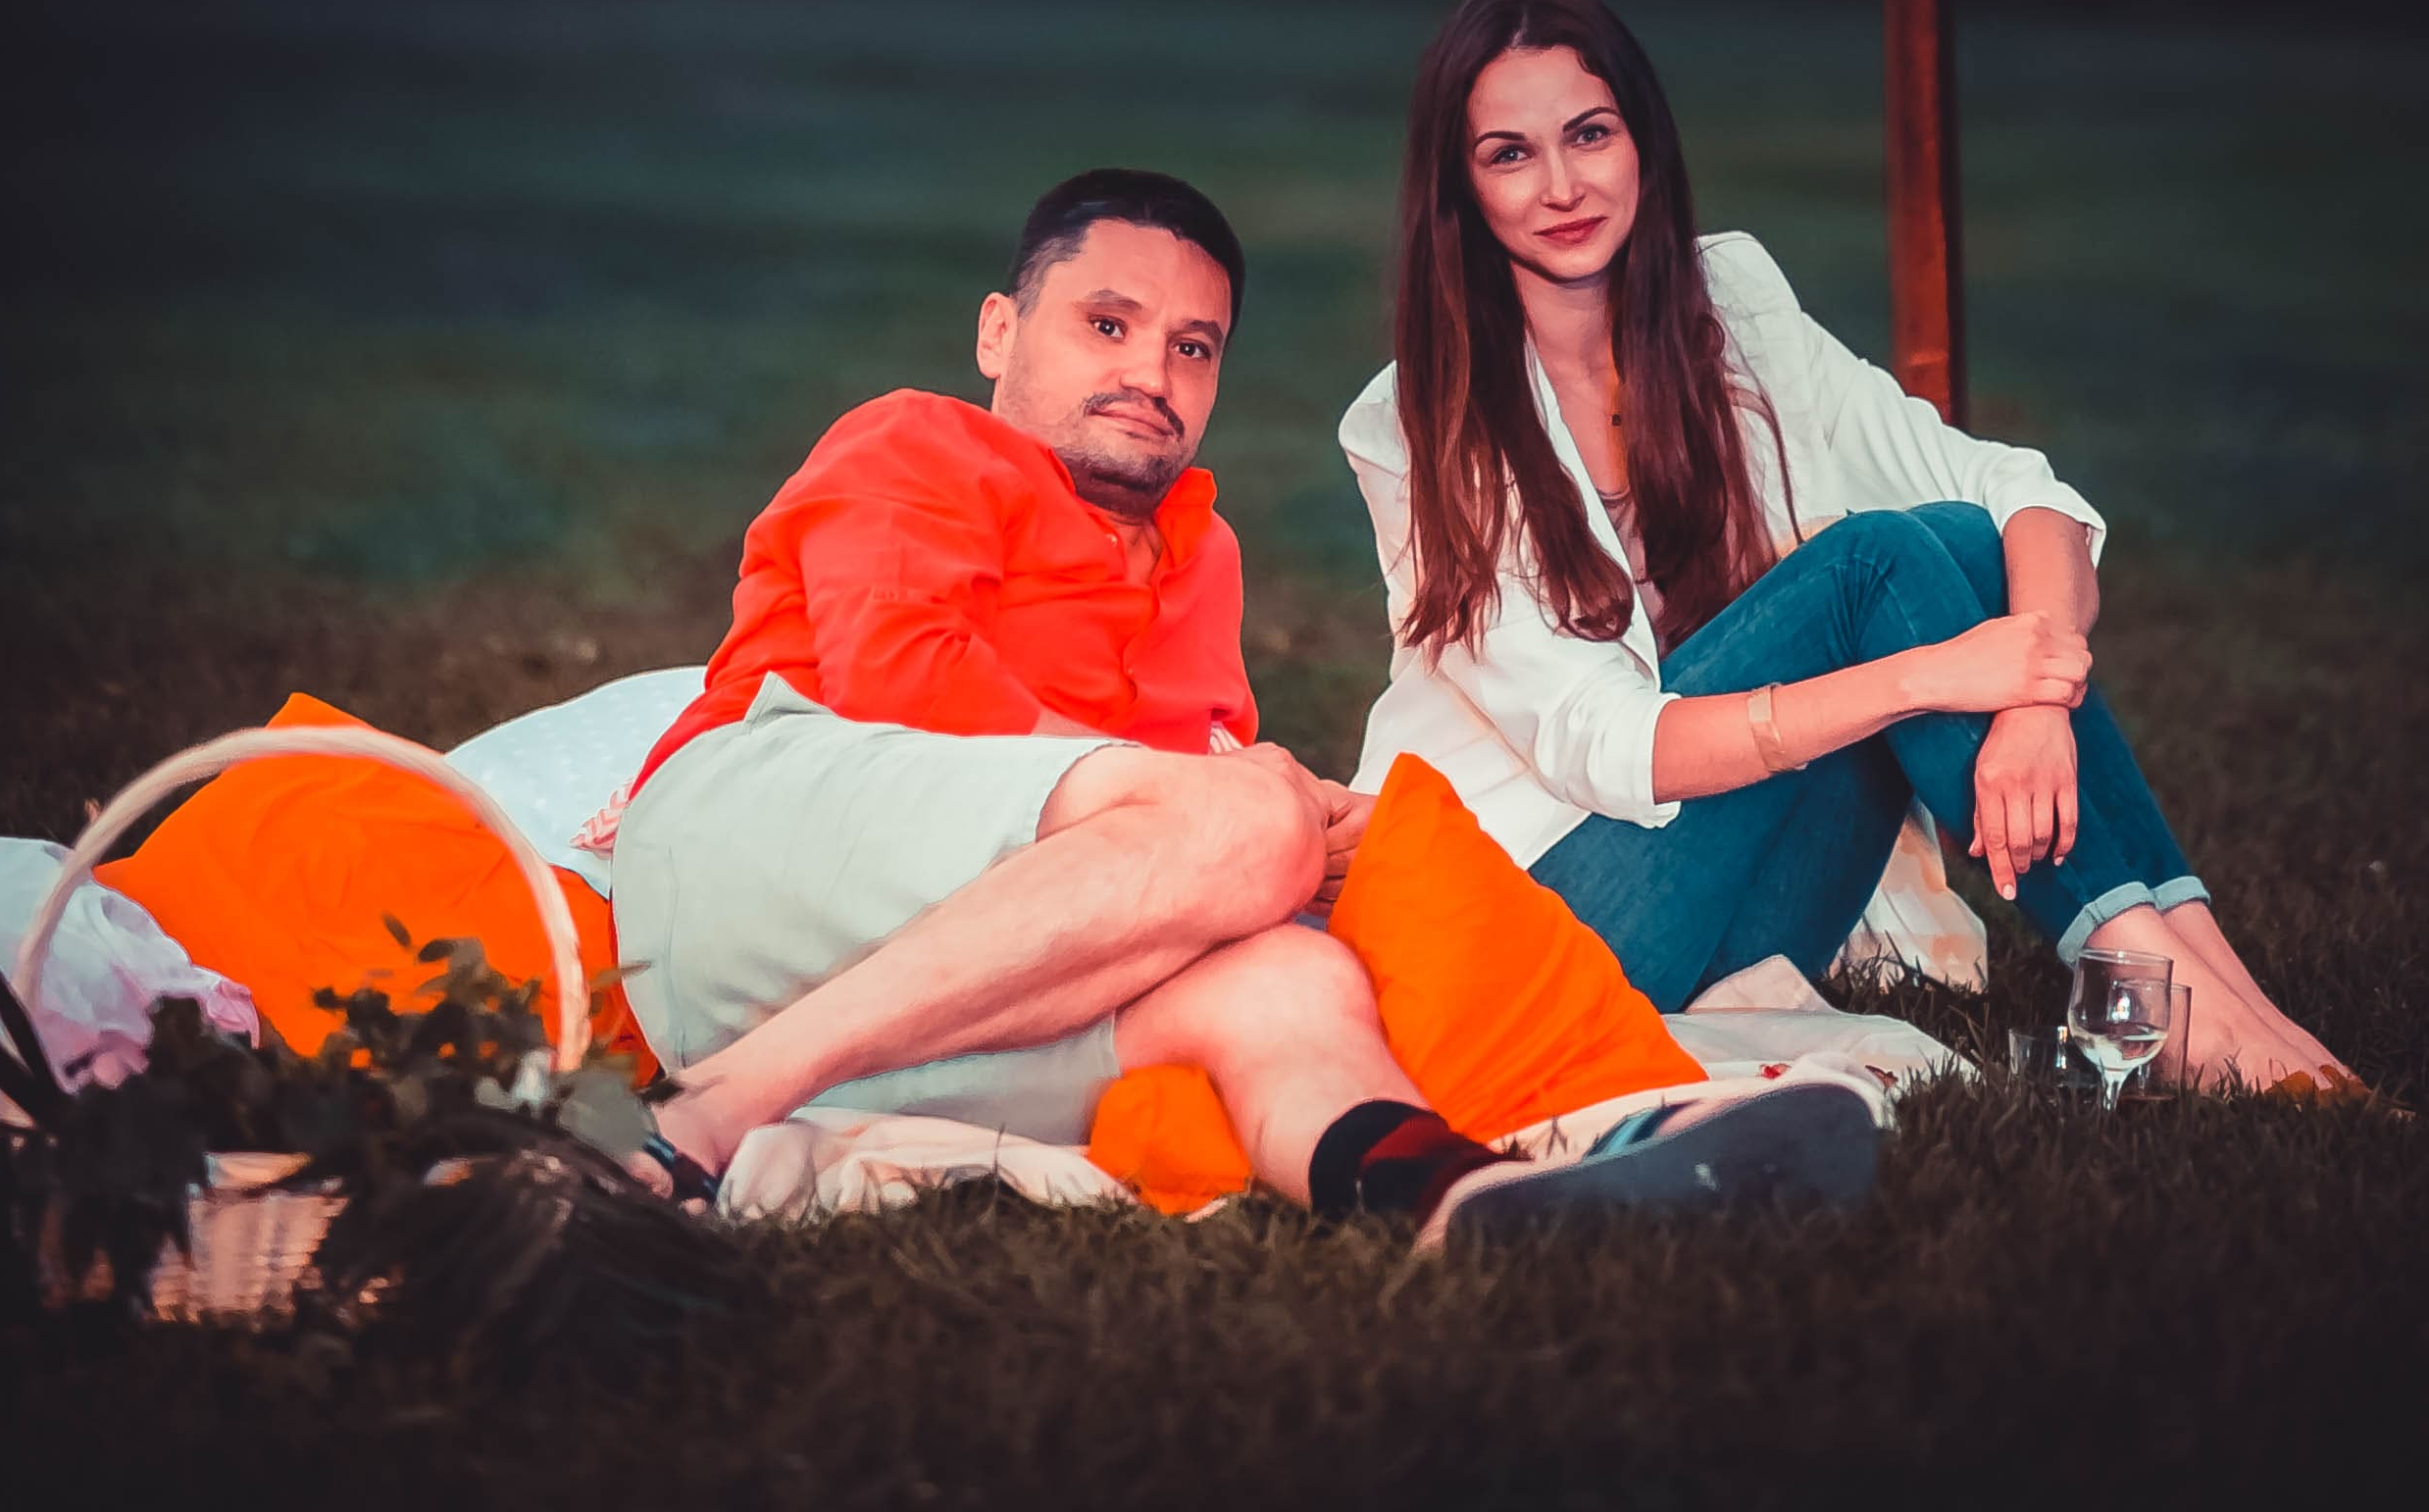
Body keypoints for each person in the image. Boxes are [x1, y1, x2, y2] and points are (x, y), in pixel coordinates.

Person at [614, 163, 1882, 1241]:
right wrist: (1242, 807)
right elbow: (907, 681)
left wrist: (1316, 834)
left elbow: (1165, 851)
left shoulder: (1201, 556)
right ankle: (704, 1115)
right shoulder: (918, 444)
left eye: (1191, 347)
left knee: (1289, 975)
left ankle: (1459, 1194)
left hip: (945, 998)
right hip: (760, 881)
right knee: (1248, 821)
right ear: (999, 332)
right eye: (1106, 325)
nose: (1149, 372)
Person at [1341, 0, 2359, 1095]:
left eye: (1590, 134)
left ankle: (2211, 986)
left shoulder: (1728, 303)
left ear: (1643, 141)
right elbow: (1606, 746)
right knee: (1874, 567)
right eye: (1510, 154)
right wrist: (1924, 677)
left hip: (1729, 902)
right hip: (1536, 921)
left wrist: (2031, 703)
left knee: (1960, 540)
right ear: (1459, 189)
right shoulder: (1416, 421)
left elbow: (2017, 491)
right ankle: (2163, 1006)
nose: (1562, 186)